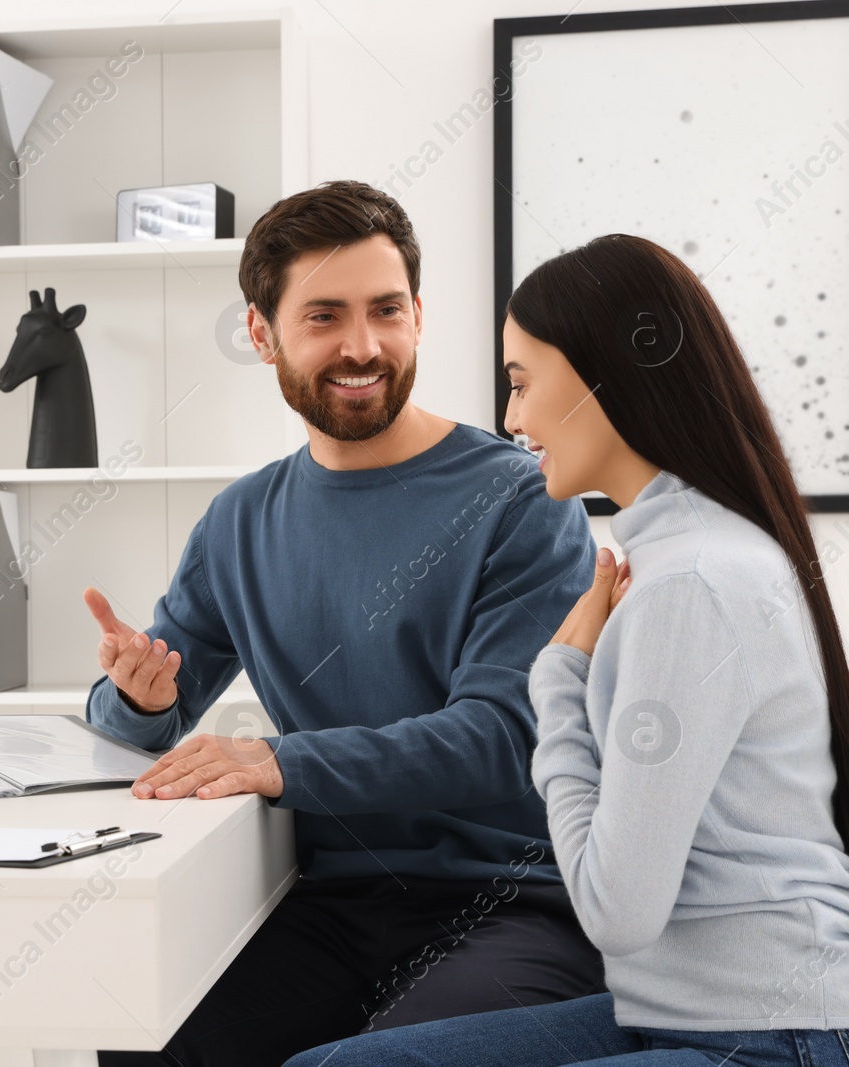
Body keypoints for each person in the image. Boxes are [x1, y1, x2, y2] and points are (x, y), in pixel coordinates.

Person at [284, 233, 849, 1067]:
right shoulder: (675, 553)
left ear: (607, 376)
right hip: (685, 1010)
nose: (512, 419)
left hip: (769, 1035)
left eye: (521, 383)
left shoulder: (690, 579)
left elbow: (614, 909)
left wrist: (556, 684)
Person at [82, 181, 606, 1067]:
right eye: (323, 315)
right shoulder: (240, 521)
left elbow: (501, 735)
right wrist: (137, 697)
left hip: (511, 902)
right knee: (141, 1036)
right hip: (325, 903)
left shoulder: (523, 498)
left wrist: (279, 761)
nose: (362, 346)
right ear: (262, 333)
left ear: (418, 317)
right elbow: (139, 721)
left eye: (385, 311)